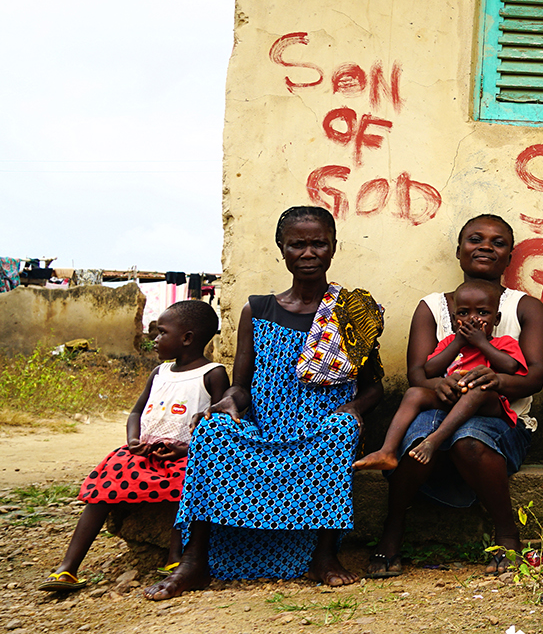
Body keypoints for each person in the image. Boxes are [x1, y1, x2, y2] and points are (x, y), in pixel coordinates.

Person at [144, 206, 385, 600]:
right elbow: (240, 386)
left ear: (333, 248)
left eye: (319, 244)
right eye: (298, 245)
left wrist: (354, 410)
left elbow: (372, 386)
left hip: (320, 429)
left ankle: (323, 556)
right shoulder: (257, 309)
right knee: (213, 431)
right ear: (282, 249)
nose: (309, 253)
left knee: (340, 432)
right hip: (265, 425)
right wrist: (227, 403)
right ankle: (195, 562)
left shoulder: (350, 311)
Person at [369, 214, 543, 579]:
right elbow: (418, 374)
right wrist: (440, 385)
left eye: (498, 242)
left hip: (501, 418)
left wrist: (493, 380)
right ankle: (393, 529)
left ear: (510, 257)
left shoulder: (524, 307)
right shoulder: (433, 307)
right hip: (442, 405)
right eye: (475, 239)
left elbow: (535, 378)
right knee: (417, 436)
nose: (485, 247)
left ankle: (506, 533)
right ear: (458, 250)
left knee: (469, 441)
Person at [40, 301, 229, 593]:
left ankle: (175, 557)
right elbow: (135, 413)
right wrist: (133, 440)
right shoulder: (159, 373)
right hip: (144, 454)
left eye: (161, 333)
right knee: (106, 482)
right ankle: (68, 568)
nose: (154, 340)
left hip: (186, 456)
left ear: (187, 338)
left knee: (193, 484)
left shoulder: (213, 373)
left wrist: (188, 449)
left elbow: (219, 423)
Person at [354, 278, 526, 471]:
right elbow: (429, 370)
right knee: (414, 394)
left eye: (483, 313)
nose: (473, 319)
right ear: (453, 320)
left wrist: (481, 343)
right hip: (453, 398)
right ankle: (387, 451)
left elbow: (511, 366)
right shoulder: (449, 343)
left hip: (488, 402)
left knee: (478, 388)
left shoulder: (503, 343)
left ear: (496, 319)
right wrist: (457, 343)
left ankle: (434, 440)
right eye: (463, 313)